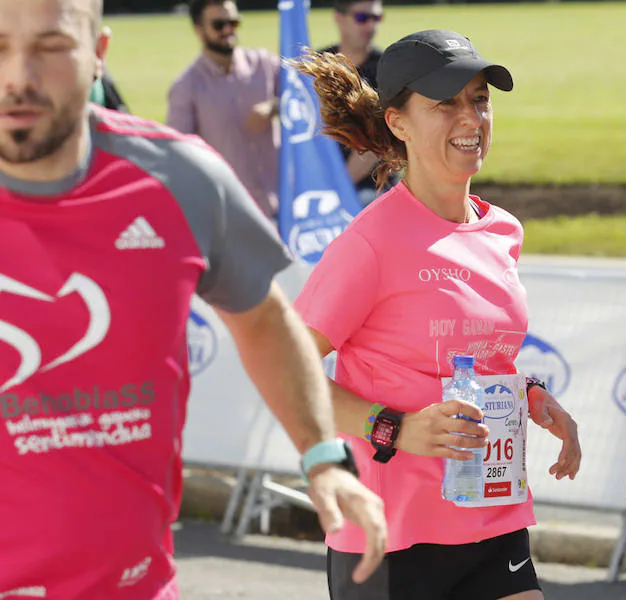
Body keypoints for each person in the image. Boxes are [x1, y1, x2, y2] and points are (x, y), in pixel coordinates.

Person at [0, 0, 386, 597]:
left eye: (50, 47)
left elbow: (263, 320)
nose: (18, 75)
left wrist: (321, 458)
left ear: (99, 55)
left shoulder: (180, 178)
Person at [291, 30, 582, 600]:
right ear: (397, 121)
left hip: (493, 513)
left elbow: (476, 359)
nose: (471, 117)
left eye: (479, 98)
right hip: (394, 537)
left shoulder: (502, 231)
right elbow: (287, 375)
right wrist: (395, 429)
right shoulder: (370, 242)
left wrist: (532, 400)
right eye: (445, 103)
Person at [167, 0, 280, 219]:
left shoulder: (264, 64)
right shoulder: (186, 87)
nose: (228, 30)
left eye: (233, 23)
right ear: (199, 30)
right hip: (230, 215)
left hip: (281, 203)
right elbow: (178, 156)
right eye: (219, 25)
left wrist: (276, 106)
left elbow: (304, 94)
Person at [318, 0, 394, 207]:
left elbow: (376, 147)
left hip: (371, 185)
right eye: (362, 18)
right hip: (321, 179)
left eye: (377, 18)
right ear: (339, 18)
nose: (371, 26)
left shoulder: (387, 69)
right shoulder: (318, 65)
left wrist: (337, 190)